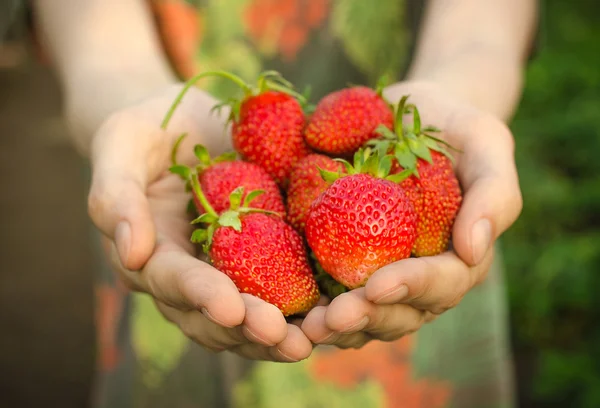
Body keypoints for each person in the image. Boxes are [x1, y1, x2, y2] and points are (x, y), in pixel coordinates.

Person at [33, 0, 537, 406]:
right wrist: (126, 95)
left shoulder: (389, 177)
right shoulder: (283, 190)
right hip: (196, 226)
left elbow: (480, 25)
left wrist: (460, 89)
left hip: (412, 267)